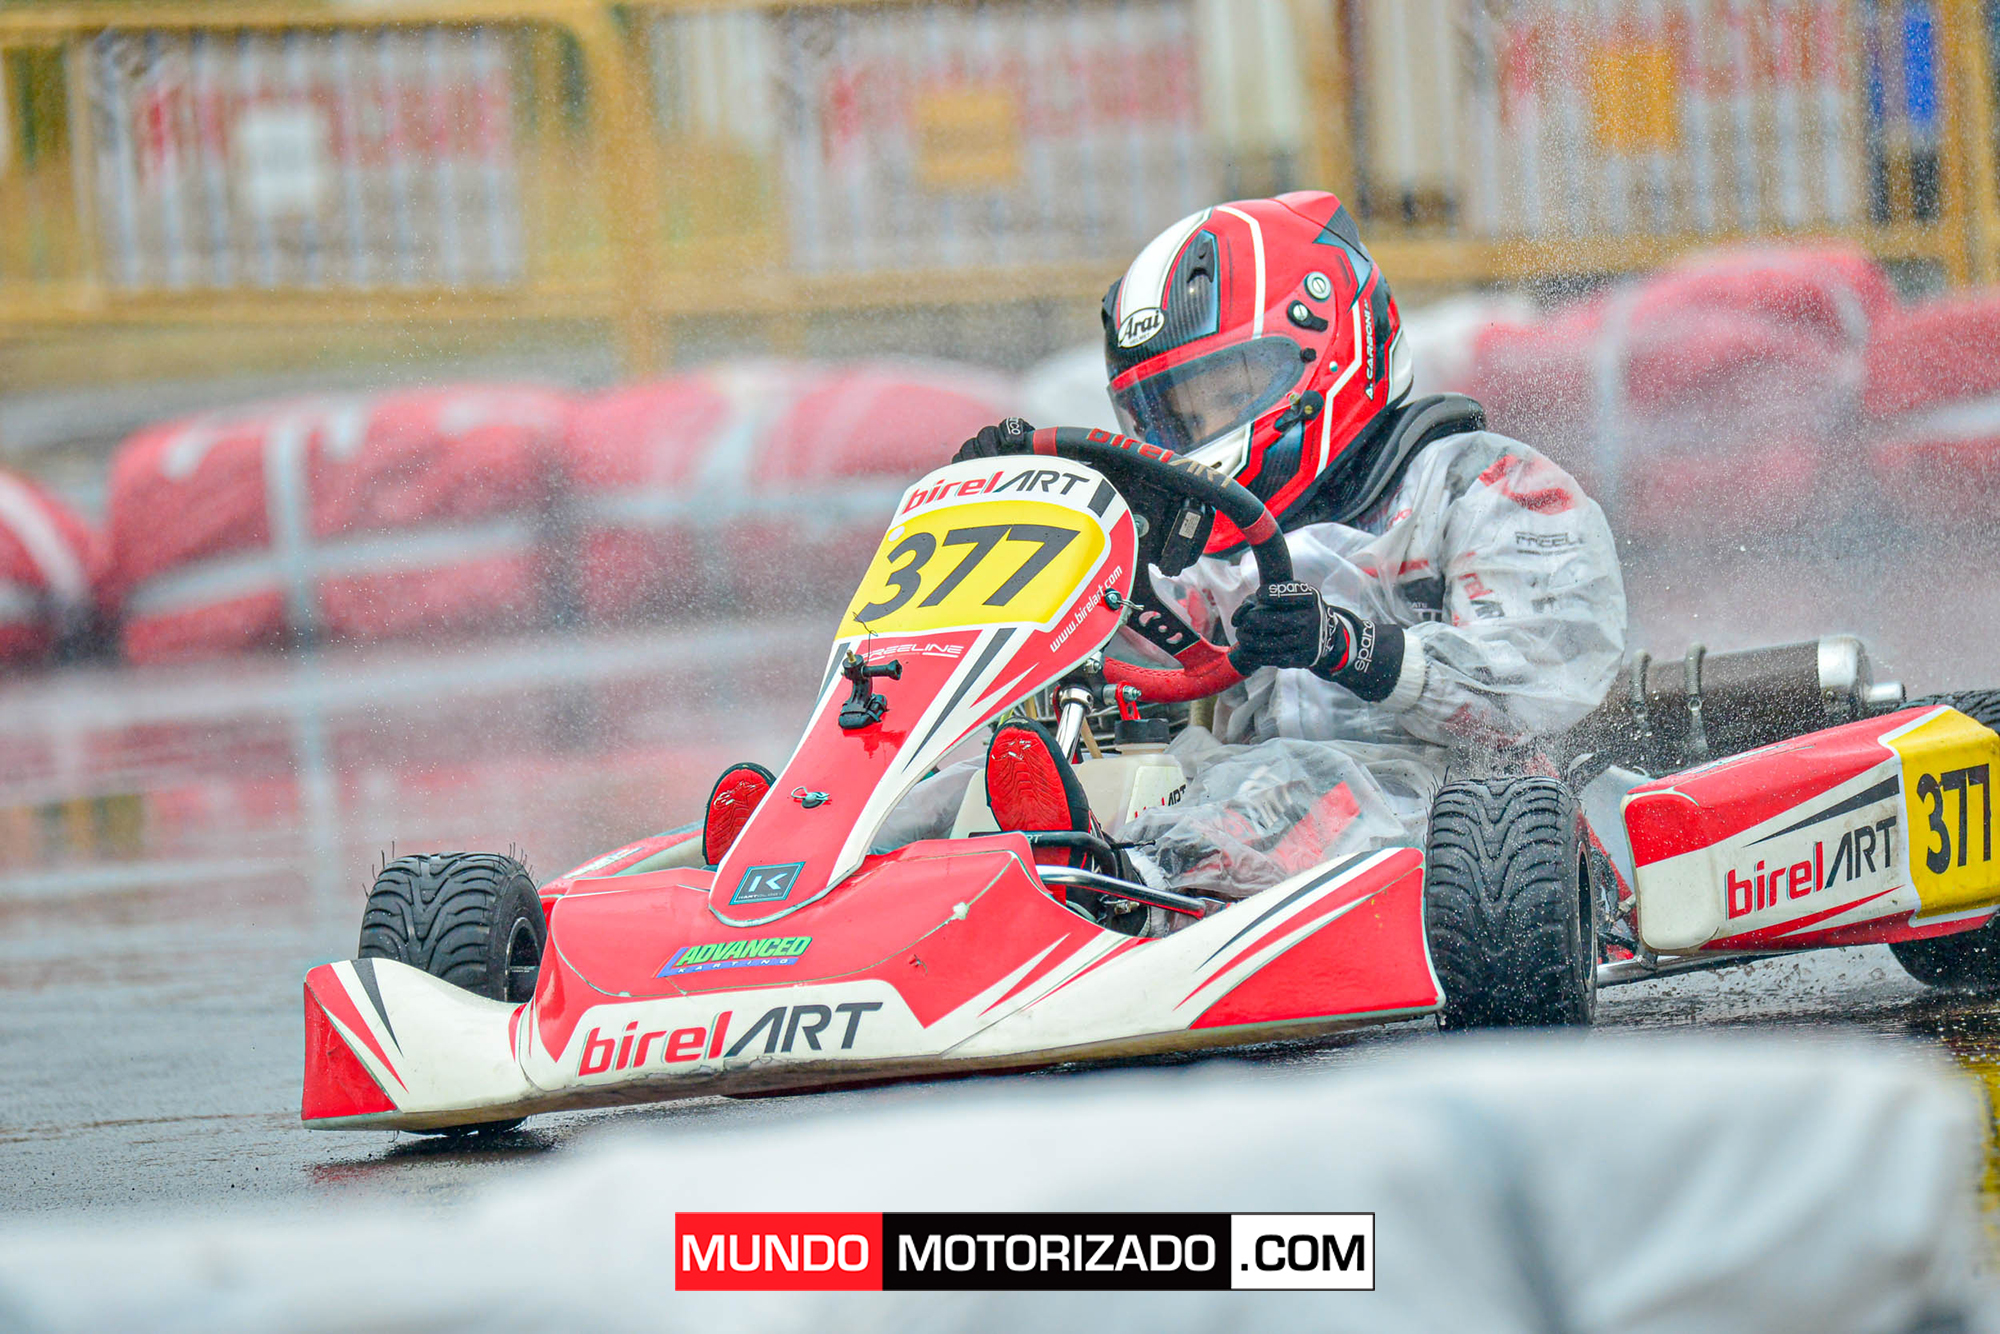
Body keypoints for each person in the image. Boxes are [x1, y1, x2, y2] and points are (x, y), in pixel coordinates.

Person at [702, 192, 1628, 900]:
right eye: (1178, 411)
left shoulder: (1482, 485)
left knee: (1285, 786)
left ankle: (1113, 887)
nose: (1202, 431)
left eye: (1230, 393)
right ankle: (814, 853)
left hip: (1456, 814)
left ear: (1327, 350)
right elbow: (1149, 663)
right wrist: (1022, 547)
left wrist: (1347, 647)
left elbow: (1548, 677)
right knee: (1040, 784)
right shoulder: (1212, 539)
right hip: (1243, 789)